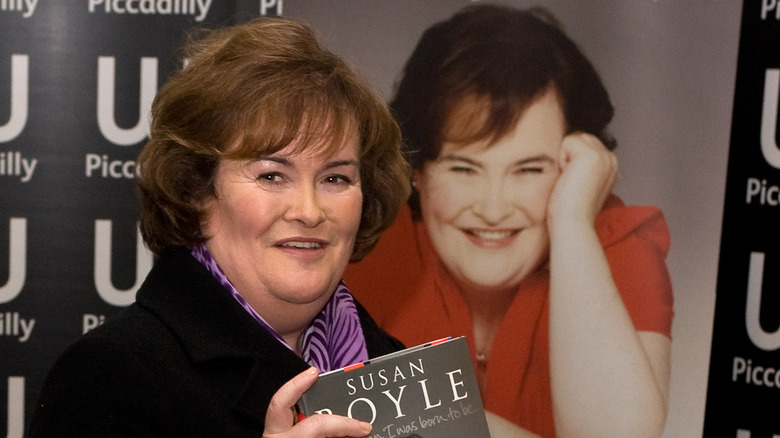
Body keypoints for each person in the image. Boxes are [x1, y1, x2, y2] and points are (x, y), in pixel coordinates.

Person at [28, 17, 410, 437]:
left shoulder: (403, 373)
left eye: (335, 178)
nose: (309, 210)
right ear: (196, 189)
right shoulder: (111, 376)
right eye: (271, 175)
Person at [344, 5, 674, 438]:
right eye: (463, 169)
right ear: (417, 172)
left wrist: (572, 220)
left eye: (530, 170)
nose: (494, 209)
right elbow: (309, 411)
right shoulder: (369, 243)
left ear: (574, 166)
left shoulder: (617, 247)